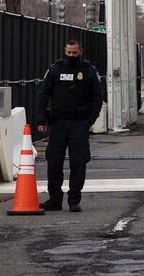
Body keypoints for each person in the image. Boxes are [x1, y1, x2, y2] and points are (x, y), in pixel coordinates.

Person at [37, 40, 105, 212]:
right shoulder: (55, 69)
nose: (72, 56)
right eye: (69, 53)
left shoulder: (89, 71)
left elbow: (98, 97)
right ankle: (54, 199)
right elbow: (43, 94)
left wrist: (90, 119)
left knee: (78, 162)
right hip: (58, 122)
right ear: (64, 51)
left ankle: (74, 199)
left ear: (80, 51)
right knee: (53, 162)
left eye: (75, 53)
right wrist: (41, 119)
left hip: (79, 122)